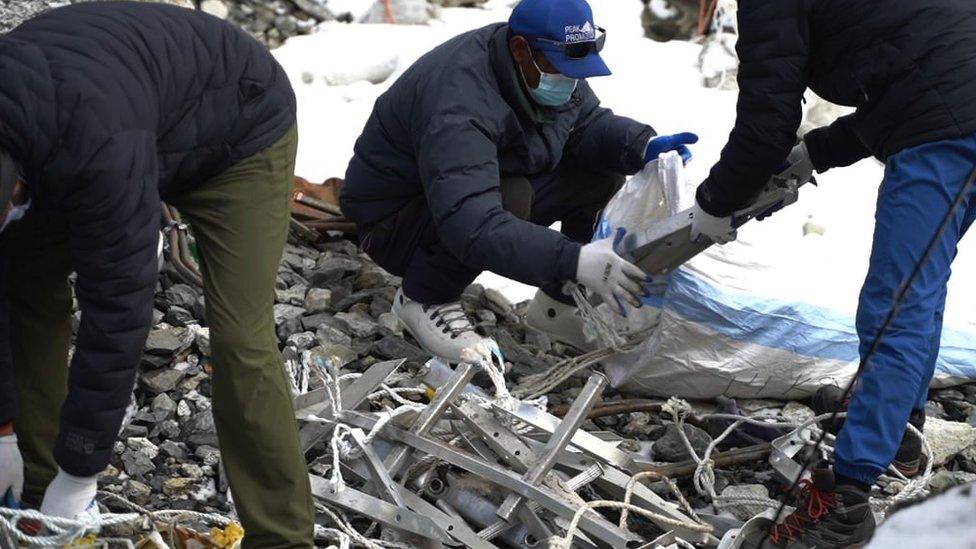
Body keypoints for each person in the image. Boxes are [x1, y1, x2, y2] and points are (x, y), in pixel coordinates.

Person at [0, 3, 315, 546]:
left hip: (237, 126)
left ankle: (282, 536)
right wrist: (2, 426)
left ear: (16, 190)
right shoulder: (33, 146)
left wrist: (82, 474)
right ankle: (34, 492)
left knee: (241, 335)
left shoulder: (95, 149)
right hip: (124, 114)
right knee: (24, 284)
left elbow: (119, 306)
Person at [689, 1, 976, 547]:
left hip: (949, 136)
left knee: (895, 304)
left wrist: (715, 200)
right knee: (921, 285)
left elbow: (765, 124)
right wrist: (815, 153)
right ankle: (899, 434)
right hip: (952, 110)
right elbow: (908, 70)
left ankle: (845, 498)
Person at [341, 0, 696, 361]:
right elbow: (471, 223)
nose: (570, 79)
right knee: (512, 196)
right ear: (519, 49)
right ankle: (424, 297)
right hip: (394, 222)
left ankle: (559, 304)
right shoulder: (459, 102)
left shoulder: (544, 66)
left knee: (599, 176)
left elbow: (584, 126)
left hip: (456, 192)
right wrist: (573, 258)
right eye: (560, 68)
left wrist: (641, 145)